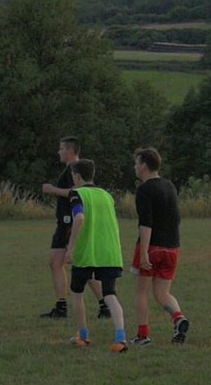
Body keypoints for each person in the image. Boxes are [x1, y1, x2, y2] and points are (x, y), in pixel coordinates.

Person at [63, 159, 129, 352]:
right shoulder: (107, 195)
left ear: (76, 176)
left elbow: (80, 218)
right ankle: (121, 337)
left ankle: (83, 335)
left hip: (86, 253)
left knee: (76, 292)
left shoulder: (77, 194)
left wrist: (70, 248)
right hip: (109, 252)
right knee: (110, 293)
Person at [41, 136, 107, 319]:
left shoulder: (74, 170)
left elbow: (76, 192)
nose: (59, 152)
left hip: (69, 222)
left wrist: (52, 190)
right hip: (66, 222)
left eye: (61, 149)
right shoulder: (74, 169)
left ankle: (65, 307)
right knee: (71, 265)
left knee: (64, 263)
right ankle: (103, 304)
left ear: (70, 151)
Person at [131, 147, 190, 346]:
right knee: (162, 294)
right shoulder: (169, 186)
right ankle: (178, 318)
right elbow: (176, 218)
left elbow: (146, 223)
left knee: (141, 292)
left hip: (153, 247)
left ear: (145, 166)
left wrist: (145, 252)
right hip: (172, 247)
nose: (135, 167)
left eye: (137, 163)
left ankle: (142, 336)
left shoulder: (145, 189)